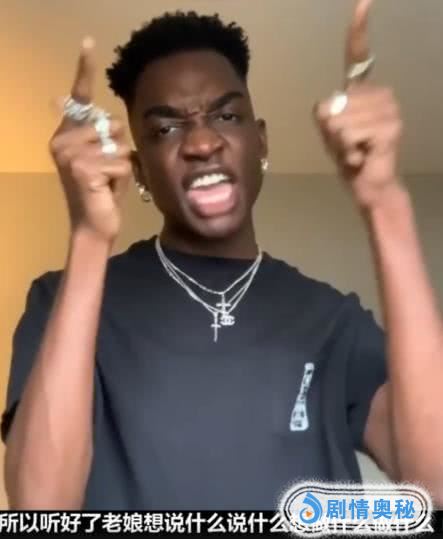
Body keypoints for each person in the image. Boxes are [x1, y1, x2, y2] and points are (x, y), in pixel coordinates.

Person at [2, 0, 443, 511]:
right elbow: (41, 506)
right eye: (166, 129)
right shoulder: (61, 301)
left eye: (227, 116)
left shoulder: (333, 320)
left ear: (261, 143)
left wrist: (386, 203)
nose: (202, 142)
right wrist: (88, 236)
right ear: (139, 171)